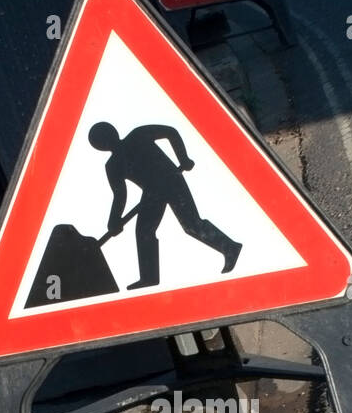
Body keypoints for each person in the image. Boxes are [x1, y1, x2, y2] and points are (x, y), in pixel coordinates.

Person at [89, 122, 241, 290]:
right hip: (152, 193)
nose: (106, 143)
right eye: (101, 142)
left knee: (191, 224)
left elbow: (171, 132)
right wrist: (114, 219)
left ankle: (230, 247)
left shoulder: (137, 136)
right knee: (144, 232)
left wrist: (183, 158)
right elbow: (120, 195)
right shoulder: (113, 165)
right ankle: (149, 278)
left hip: (171, 179)